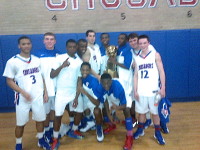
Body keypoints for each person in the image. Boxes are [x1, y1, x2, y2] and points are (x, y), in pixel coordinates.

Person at [3, 36, 51, 150]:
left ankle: (41, 140)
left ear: (31, 45)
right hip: (22, 98)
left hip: (38, 96)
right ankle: (18, 144)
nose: (26, 46)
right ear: (19, 46)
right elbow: (9, 81)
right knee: (21, 123)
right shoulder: (12, 61)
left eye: (28, 43)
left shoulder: (36, 59)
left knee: (40, 120)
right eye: (23, 44)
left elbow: (42, 77)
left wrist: (45, 92)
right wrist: (22, 92)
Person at [50, 39, 83, 149]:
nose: (72, 49)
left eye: (74, 47)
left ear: (77, 47)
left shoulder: (79, 61)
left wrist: (77, 97)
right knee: (58, 116)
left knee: (79, 112)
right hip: (61, 92)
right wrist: (62, 66)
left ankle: (73, 130)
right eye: (70, 47)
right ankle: (55, 138)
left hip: (73, 92)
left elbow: (79, 80)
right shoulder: (59, 58)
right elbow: (52, 74)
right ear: (66, 47)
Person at [133, 35, 166, 145]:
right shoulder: (137, 58)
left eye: (144, 43)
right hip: (141, 91)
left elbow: (161, 72)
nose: (142, 45)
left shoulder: (155, 55)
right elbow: (136, 76)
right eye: (140, 43)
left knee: (154, 113)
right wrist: (135, 90)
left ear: (148, 43)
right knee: (141, 113)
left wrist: (163, 87)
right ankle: (140, 129)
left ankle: (157, 133)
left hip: (153, 91)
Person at [34, 32, 61, 143]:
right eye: (47, 39)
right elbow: (38, 74)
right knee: (45, 113)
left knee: (54, 111)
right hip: (44, 90)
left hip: (56, 90)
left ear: (55, 41)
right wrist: (44, 91)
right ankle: (45, 132)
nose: (49, 41)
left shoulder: (59, 54)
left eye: (51, 39)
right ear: (43, 41)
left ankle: (50, 130)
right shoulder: (37, 55)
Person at [106, 33, 134, 131]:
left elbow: (127, 66)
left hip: (125, 81)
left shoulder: (128, 50)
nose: (119, 40)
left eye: (122, 38)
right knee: (111, 100)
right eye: (118, 38)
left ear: (126, 40)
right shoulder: (116, 49)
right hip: (116, 79)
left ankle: (130, 127)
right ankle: (112, 122)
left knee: (126, 105)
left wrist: (115, 62)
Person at [128, 32, 157, 129]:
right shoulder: (132, 52)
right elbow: (133, 66)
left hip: (150, 81)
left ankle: (153, 121)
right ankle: (145, 120)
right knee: (142, 102)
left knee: (153, 105)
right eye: (130, 41)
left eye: (134, 40)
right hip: (139, 80)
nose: (133, 43)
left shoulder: (150, 49)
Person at [100, 73, 133, 150]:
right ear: (101, 82)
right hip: (112, 95)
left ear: (111, 81)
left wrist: (117, 108)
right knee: (104, 108)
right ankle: (112, 125)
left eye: (108, 83)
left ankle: (129, 137)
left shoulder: (118, 87)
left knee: (126, 110)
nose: (106, 85)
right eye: (104, 83)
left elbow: (124, 105)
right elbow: (105, 101)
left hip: (126, 93)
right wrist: (109, 116)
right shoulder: (101, 86)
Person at [79, 62, 104, 142]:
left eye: (87, 70)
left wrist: (85, 93)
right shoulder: (80, 78)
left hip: (95, 101)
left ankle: (99, 129)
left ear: (90, 71)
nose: (84, 72)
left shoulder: (94, 81)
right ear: (80, 70)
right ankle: (91, 122)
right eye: (83, 70)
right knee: (76, 108)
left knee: (97, 111)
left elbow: (97, 103)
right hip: (85, 100)